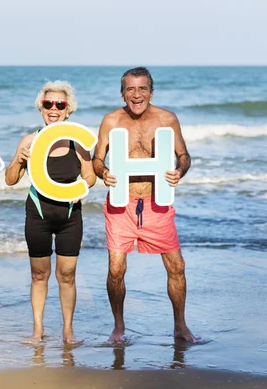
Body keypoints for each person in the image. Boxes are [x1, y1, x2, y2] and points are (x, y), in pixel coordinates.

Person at [92, 66, 197, 343]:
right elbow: (97, 158)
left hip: (156, 202)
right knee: (116, 269)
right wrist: (103, 172)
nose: (136, 95)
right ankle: (118, 327)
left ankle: (180, 326)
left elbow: (184, 155)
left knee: (177, 267)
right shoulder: (111, 121)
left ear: (151, 91)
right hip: (120, 203)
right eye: (130, 89)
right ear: (122, 93)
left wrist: (179, 170)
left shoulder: (166, 119)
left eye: (142, 88)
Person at [5, 81, 96, 344]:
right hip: (38, 215)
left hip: (70, 215)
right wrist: (19, 159)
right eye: (48, 104)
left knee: (67, 275)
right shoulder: (30, 140)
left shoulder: (77, 143)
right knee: (38, 274)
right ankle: (38, 330)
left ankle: (68, 330)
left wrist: (81, 187)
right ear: (41, 108)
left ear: (68, 111)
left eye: (60, 104)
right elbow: (10, 179)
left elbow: (90, 176)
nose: (53, 109)